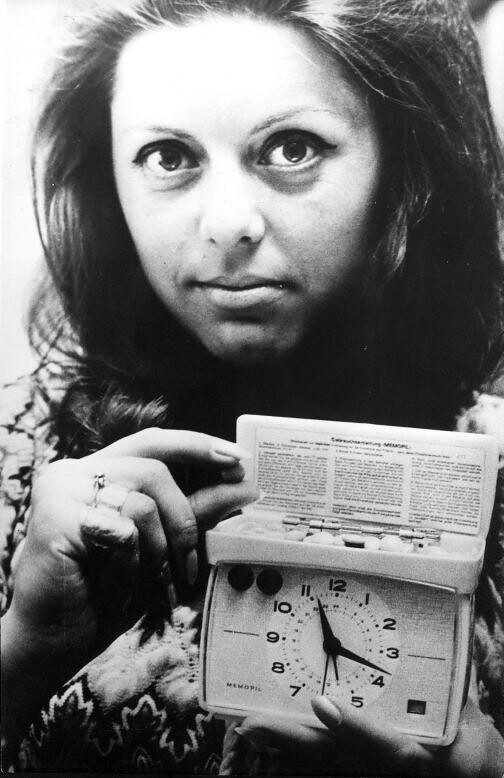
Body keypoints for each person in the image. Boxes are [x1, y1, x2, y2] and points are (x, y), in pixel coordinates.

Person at [1, 0, 504, 773]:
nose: (229, 223)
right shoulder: (19, 450)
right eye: (169, 157)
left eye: (292, 147)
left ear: (403, 170)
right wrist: (23, 648)